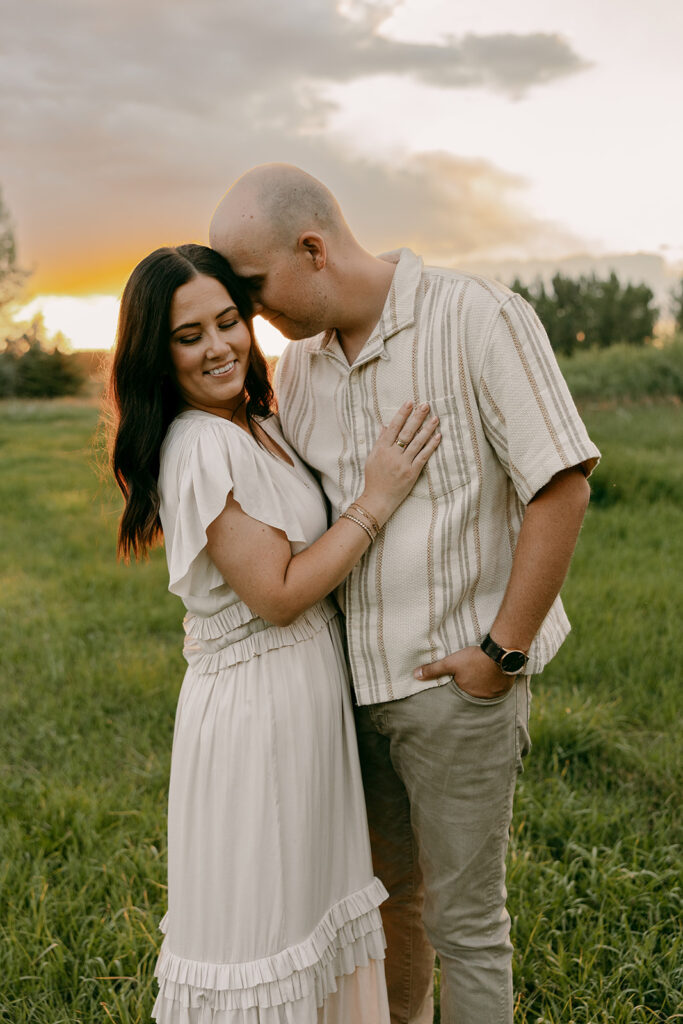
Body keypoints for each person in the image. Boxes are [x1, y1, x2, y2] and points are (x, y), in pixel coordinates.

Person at [209, 164, 602, 1024]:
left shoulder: (477, 319)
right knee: (384, 911)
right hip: (344, 699)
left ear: (311, 249)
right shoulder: (301, 368)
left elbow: (560, 486)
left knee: (466, 924)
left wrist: (501, 653)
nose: (247, 313)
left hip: (454, 691)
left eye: (251, 287)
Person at [108, 243, 441, 1024]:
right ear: (158, 352)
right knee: (266, 930)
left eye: (227, 321)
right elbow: (277, 593)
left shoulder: (255, 423)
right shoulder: (201, 445)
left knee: (309, 916)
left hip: (299, 702)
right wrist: (377, 498)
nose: (217, 346)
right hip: (255, 715)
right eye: (189, 335)